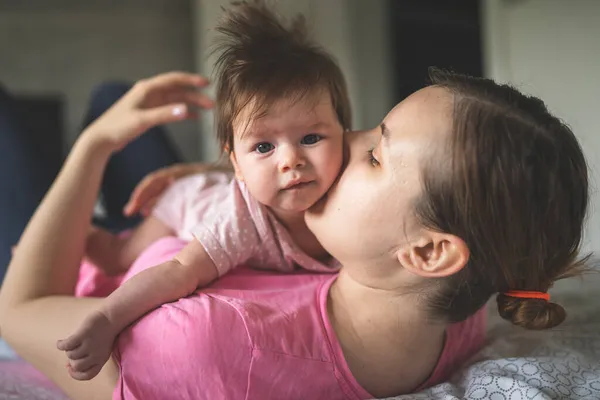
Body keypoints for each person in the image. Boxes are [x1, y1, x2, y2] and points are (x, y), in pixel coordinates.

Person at [0, 21, 590, 400]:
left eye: (377, 153)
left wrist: (96, 146)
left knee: (102, 106)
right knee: (123, 96)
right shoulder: (460, 302)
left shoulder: (206, 347)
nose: (345, 141)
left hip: (61, 264)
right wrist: (222, 174)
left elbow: (19, 311)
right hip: (197, 204)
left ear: (430, 251)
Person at [56, 1, 350, 380]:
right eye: (263, 147)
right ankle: (80, 233)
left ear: (347, 135)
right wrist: (107, 319)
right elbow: (180, 269)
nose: (290, 160)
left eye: (311, 137)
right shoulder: (242, 220)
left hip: (213, 179)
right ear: (236, 163)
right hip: (186, 201)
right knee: (118, 256)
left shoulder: (353, 185)